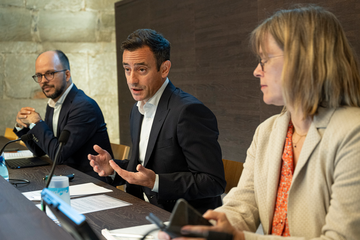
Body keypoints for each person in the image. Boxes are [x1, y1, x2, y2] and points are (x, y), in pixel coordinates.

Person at [159, 5, 360, 240]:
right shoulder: (267, 131)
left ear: (303, 60)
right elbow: (243, 204)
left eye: (264, 60)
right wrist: (206, 230)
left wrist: (239, 238)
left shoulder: (352, 132)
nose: (256, 71)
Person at [88, 29, 226, 213]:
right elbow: (145, 167)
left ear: (164, 69)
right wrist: (113, 168)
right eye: (127, 69)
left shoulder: (188, 111)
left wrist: (157, 182)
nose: (132, 80)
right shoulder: (137, 110)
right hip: (142, 210)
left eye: (141, 69)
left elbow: (213, 182)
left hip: (180, 219)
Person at [14, 50, 113, 181]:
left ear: (67, 75)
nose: (43, 81)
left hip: (89, 181)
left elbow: (58, 155)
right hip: (65, 176)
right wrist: (23, 126)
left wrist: (37, 123)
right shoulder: (53, 104)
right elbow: (41, 151)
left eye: (50, 73)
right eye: (39, 75)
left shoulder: (83, 106)